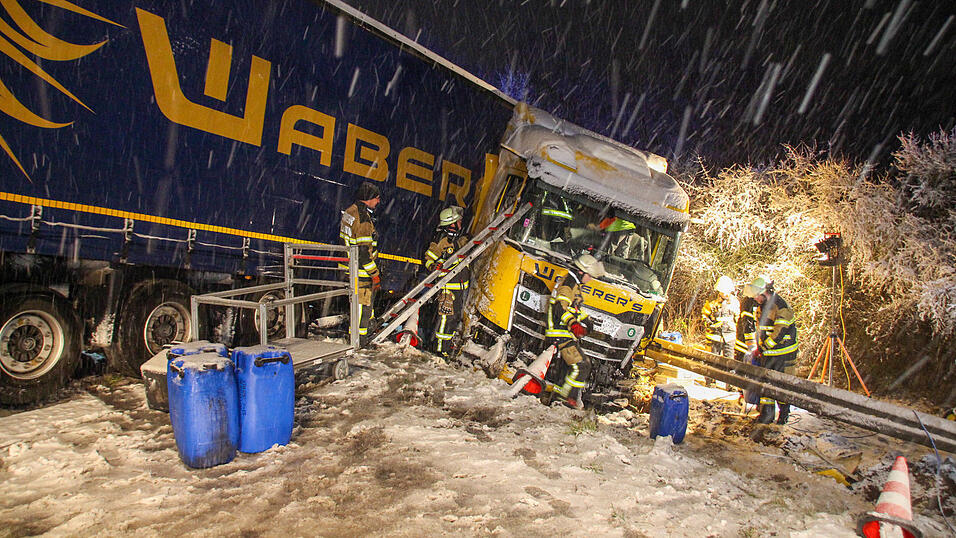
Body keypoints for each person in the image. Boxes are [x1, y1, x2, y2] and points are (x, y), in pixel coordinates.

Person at [546, 253, 605, 409]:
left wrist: (587, 320)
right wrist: (573, 324)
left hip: (564, 332)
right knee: (583, 365)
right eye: (590, 276)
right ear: (581, 272)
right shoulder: (569, 285)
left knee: (567, 368)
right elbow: (560, 307)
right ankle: (568, 399)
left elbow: (574, 307)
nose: (591, 279)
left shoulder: (574, 284)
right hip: (560, 332)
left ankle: (557, 396)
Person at [745, 276, 798, 425]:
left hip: (783, 354)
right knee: (766, 385)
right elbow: (761, 329)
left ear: (764, 292)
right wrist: (759, 347)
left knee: (782, 386)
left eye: (757, 296)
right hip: (768, 353)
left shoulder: (780, 306)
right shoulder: (763, 306)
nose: (755, 299)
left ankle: (783, 415)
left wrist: (763, 347)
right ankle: (767, 414)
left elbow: (779, 332)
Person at [422, 206, 470, 357]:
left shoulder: (459, 239)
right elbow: (428, 260)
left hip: (459, 287)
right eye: (459, 221)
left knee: (453, 319)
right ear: (452, 223)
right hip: (448, 288)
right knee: (446, 319)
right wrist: (435, 266)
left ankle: (444, 347)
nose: (461, 223)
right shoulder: (441, 241)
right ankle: (440, 350)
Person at [340, 181, 381, 344]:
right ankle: (359, 342)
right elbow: (363, 252)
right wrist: (375, 274)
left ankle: (356, 338)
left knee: (356, 308)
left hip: (349, 268)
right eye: (377, 198)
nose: (378, 201)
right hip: (361, 272)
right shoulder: (363, 219)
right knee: (362, 310)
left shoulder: (350, 211)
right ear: (369, 198)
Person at [701, 275, 740, 360]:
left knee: (729, 362)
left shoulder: (734, 302)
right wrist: (710, 324)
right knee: (712, 361)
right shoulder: (712, 302)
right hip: (714, 337)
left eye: (727, 292)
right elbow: (704, 315)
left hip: (730, 337)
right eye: (723, 292)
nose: (725, 294)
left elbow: (738, 319)